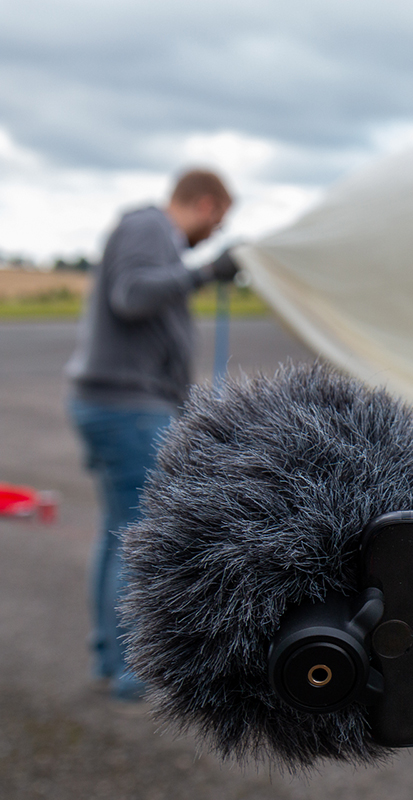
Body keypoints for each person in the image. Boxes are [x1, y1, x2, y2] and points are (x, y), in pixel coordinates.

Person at [65, 168, 239, 702]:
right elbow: (133, 295)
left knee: (119, 533)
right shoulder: (148, 228)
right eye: (218, 223)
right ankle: (130, 671)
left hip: (114, 404)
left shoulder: (156, 240)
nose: (211, 236)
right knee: (136, 540)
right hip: (126, 409)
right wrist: (207, 271)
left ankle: (109, 659)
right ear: (206, 205)